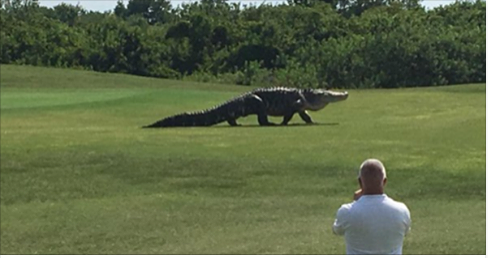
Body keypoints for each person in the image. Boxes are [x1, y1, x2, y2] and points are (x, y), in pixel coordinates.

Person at [332, 159, 411, 255]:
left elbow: (337, 230)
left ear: (360, 182)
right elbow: (405, 232)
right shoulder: (401, 211)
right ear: (384, 181)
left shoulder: (347, 212)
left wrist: (356, 202)